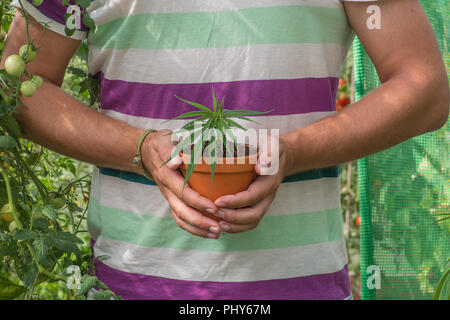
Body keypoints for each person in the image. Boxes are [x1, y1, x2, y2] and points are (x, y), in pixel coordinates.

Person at [2, 0, 448, 299]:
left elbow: (424, 86)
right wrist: (139, 150)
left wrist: (292, 152)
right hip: (131, 285)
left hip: (297, 287)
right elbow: (18, 87)